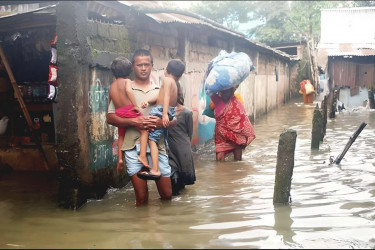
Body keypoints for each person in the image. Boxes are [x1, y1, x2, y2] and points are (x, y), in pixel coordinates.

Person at [106, 49, 176, 206]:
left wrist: (162, 123)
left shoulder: (160, 90)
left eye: (146, 64)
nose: (143, 68)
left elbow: (175, 117)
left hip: (157, 146)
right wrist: (135, 122)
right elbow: (110, 117)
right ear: (133, 67)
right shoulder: (125, 87)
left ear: (152, 65)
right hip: (132, 147)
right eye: (139, 65)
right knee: (141, 197)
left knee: (167, 194)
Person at [137, 59, 186, 180]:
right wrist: (148, 101)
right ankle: (159, 159)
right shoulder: (175, 82)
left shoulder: (167, 79)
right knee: (161, 136)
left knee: (152, 138)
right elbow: (161, 95)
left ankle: (155, 169)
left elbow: (166, 97)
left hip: (161, 111)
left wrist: (163, 114)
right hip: (169, 111)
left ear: (166, 71)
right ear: (179, 75)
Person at [108, 57, 149, 173]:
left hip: (119, 113)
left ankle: (120, 159)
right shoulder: (127, 82)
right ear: (129, 70)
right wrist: (135, 105)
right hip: (129, 110)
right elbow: (129, 91)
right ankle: (142, 155)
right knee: (144, 130)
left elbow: (110, 103)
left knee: (121, 136)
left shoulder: (112, 86)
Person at [211, 87, 256, 161]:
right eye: (223, 92)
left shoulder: (236, 102)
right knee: (220, 160)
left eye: (227, 92)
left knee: (238, 159)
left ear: (232, 91)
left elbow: (243, 119)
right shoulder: (217, 100)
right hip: (221, 136)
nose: (225, 94)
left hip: (235, 135)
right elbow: (211, 107)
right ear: (220, 92)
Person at [167, 90, 196, 195]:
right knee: (172, 176)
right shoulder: (163, 112)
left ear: (178, 94)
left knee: (181, 181)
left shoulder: (187, 113)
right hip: (169, 148)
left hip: (183, 150)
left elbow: (190, 133)